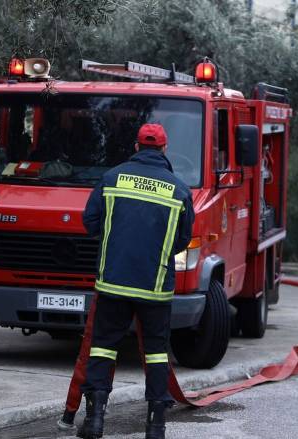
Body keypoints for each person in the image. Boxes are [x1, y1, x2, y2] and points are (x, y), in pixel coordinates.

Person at [79, 123, 195, 439]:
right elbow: (183, 238)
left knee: (103, 348)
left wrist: (117, 238)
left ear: (135, 147)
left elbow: (90, 222)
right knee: (156, 353)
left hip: (113, 282)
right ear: (164, 149)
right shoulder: (179, 190)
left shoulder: (111, 179)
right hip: (155, 287)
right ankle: (156, 425)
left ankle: (95, 421)